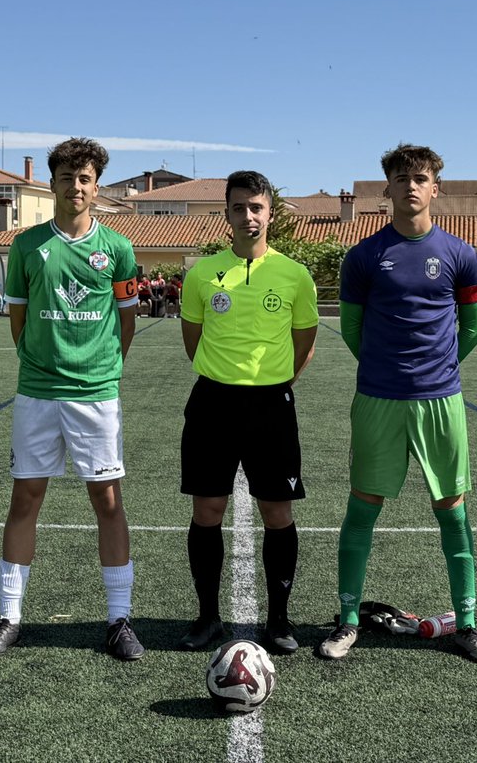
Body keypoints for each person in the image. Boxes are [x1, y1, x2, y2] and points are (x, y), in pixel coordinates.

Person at [317, 143, 477, 664]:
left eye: (421, 178)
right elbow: (351, 329)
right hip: (378, 398)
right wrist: (386, 369)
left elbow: (472, 329)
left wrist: (437, 369)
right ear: (387, 190)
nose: (412, 186)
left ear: (435, 187)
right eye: (402, 178)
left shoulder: (462, 255)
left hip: (441, 401)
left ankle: (467, 624)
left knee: (452, 509)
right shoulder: (365, 256)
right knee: (363, 507)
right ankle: (348, 619)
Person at [0, 137, 144, 662]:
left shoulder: (116, 248)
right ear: (52, 184)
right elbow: (18, 318)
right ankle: (9, 616)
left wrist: (102, 366)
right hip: (39, 392)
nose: (76, 186)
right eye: (67, 177)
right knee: (26, 498)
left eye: (86, 178)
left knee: (108, 500)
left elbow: (127, 319)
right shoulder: (27, 246)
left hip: (96, 392)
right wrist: (40, 360)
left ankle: (119, 620)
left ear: (97, 187)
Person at [177, 170, 318, 655]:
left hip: (271, 404)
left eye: (257, 207)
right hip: (213, 402)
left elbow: (305, 344)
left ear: (270, 213)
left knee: (277, 512)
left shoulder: (294, 275)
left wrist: (273, 383)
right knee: (207, 509)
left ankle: (279, 620)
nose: (248, 216)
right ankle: (207, 617)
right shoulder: (201, 273)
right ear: (227, 214)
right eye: (239, 208)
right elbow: (192, 340)